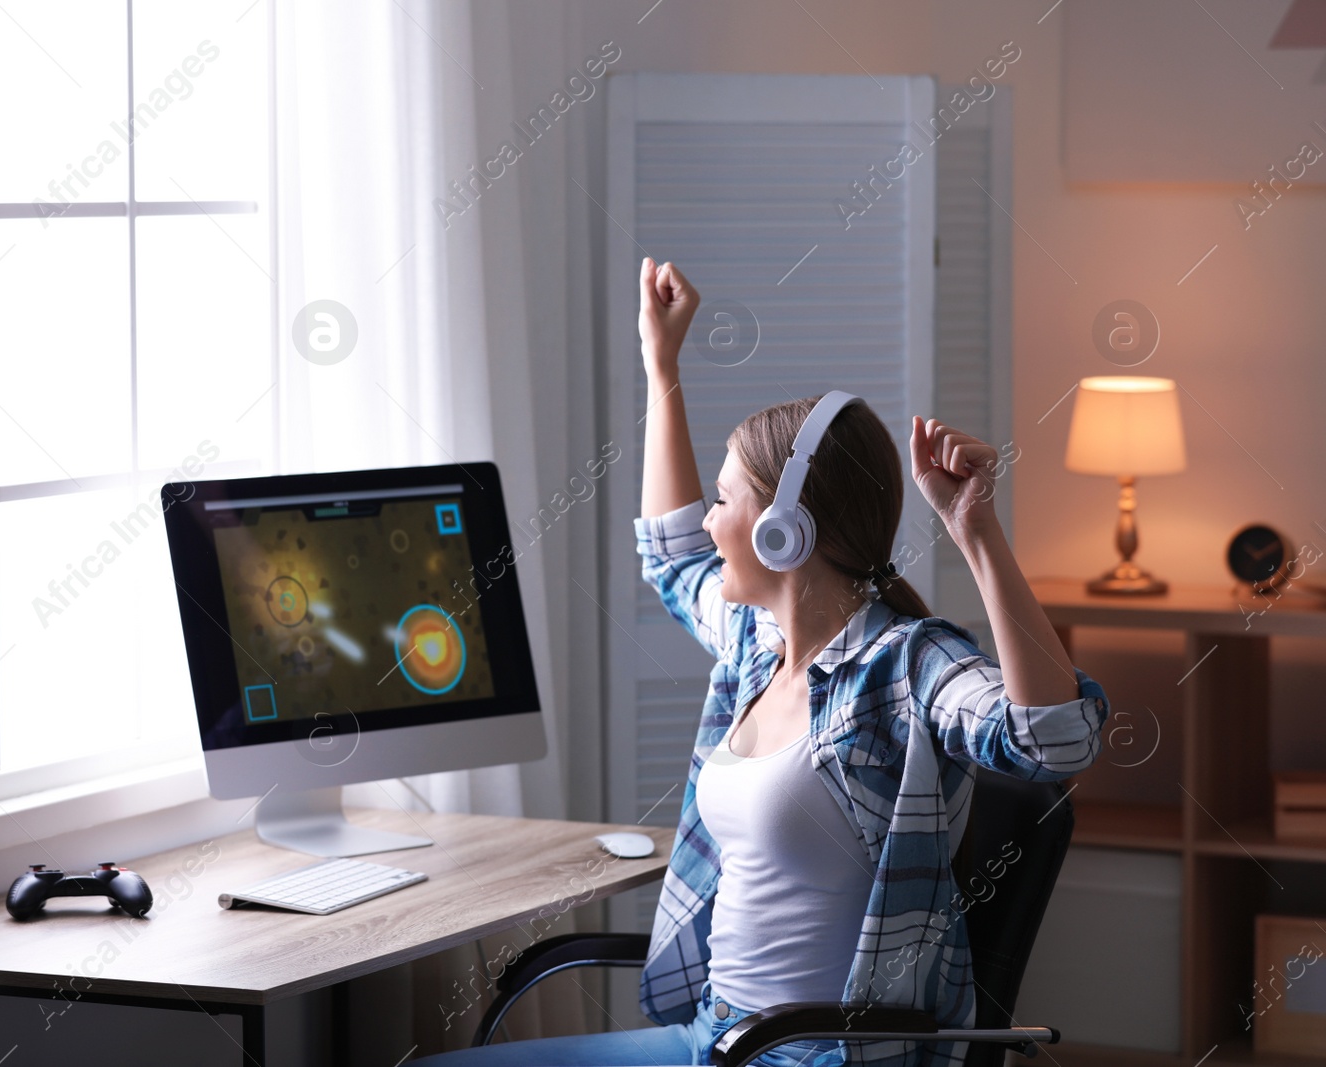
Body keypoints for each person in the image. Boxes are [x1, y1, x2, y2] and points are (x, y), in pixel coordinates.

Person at [410, 259, 1112, 1067]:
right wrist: (661, 368)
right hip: (713, 1038)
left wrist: (976, 532)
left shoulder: (906, 665)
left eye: (723, 500)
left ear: (787, 532)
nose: (708, 522)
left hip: (811, 1057)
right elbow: (671, 559)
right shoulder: (755, 645)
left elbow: (1055, 742)